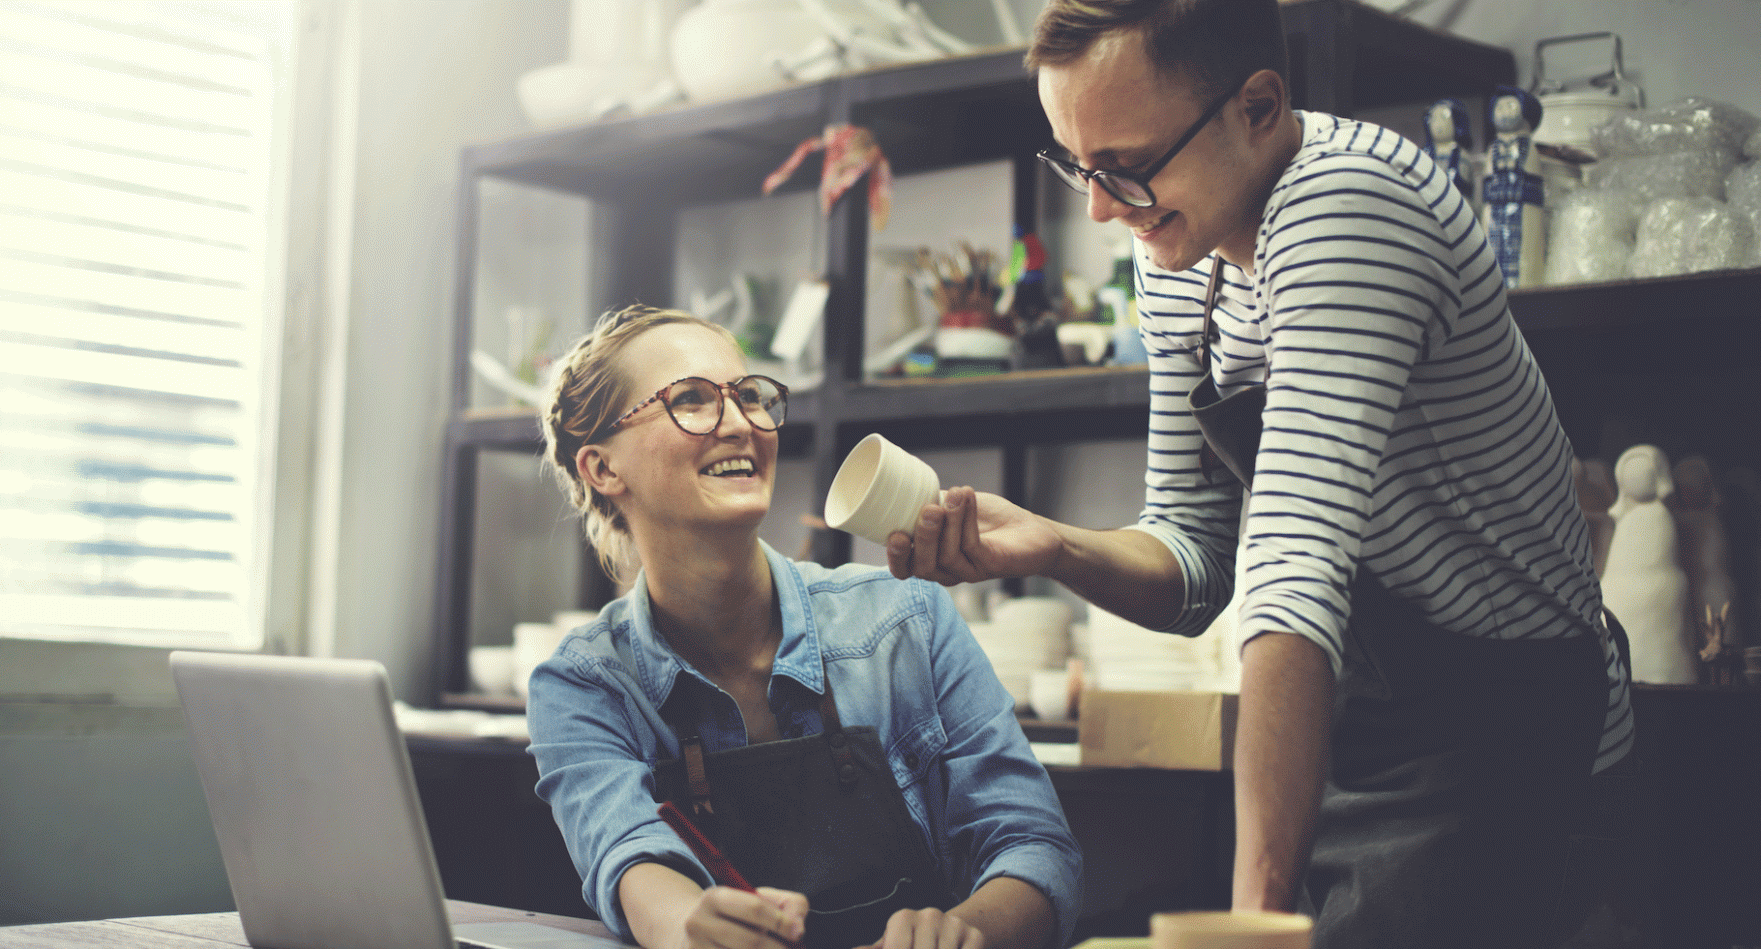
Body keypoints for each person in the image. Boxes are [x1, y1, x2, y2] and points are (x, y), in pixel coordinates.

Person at [890, 2, 1633, 947]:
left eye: (1125, 165)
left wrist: (1251, 922)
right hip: (1369, 714)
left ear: (1259, 105)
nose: (1101, 208)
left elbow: (1291, 568)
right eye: (1077, 166)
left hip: (1517, 729)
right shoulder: (1178, 246)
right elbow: (1198, 561)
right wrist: (1053, 546)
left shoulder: (1349, 205)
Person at [527, 305, 1081, 949]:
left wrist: (959, 932)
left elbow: (1037, 851)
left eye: (750, 396)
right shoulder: (582, 685)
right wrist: (691, 929)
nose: (740, 423)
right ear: (602, 468)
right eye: (692, 401)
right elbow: (627, 857)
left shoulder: (908, 617)